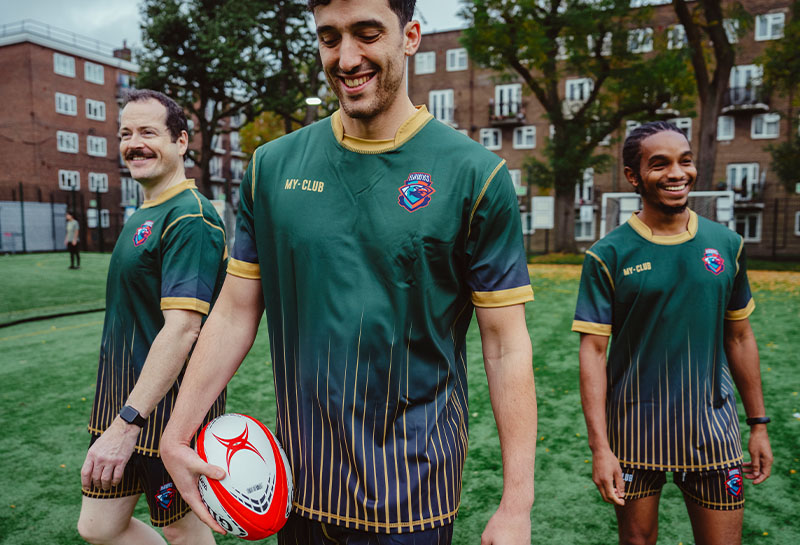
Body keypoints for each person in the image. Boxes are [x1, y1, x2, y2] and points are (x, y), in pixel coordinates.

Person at [160, 0, 538, 543]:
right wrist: (176, 433)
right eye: (330, 37)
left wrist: (516, 503)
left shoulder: (475, 175)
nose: (347, 57)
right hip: (294, 484)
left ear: (409, 36)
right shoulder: (272, 166)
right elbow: (236, 309)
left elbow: (506, 347)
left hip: (414, 490)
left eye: (367, 33)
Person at [573, 121, 773, 545]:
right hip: (633, 431)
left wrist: (758, 424)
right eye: (659, 164)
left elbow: (739, 338)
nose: (677, 173)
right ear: (633, 176)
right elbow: (592, 352)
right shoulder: (607, 255)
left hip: (712, 429)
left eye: (684, 161)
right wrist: (600, 448)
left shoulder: (727, 244)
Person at [77, 89, 228, 545]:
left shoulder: (191, 217)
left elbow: (184, 328)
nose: (134, 143)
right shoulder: (145, 211)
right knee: (99, 527)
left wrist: (126, 423)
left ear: (181, 142)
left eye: (148, 132)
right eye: (125, 133)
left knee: (186, 534)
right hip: (120, 401)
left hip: (166, 412)